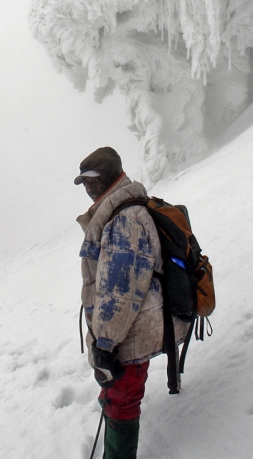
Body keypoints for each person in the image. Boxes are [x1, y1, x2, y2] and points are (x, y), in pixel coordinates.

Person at [75, 147, 188, 459]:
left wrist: (106, 345)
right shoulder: (121, 209)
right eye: (83, 181)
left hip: (131, 330)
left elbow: (120, 292)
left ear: (112, 174)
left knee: (122, 399)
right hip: (139, 321)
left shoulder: (124, 219)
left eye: (94, 179)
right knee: (117, 394)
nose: (88, 186)